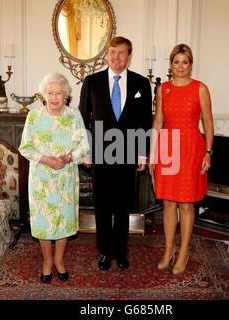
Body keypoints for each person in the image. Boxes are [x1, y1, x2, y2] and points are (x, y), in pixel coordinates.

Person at [79, 36, 153, 271]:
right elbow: (83, 120)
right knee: (102, 206)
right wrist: (85, 152)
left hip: (128, 152)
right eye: (112, 52)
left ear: (129, 56)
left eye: (121, 53)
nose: (116, 57)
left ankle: (120, 251)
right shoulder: (92, 82)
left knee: (122, 206)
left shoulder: (142, 84)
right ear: (107, 54)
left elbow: (144, 122)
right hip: (99, 154)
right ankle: (104, 252)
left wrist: (142, 154)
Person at [19, 72, 90, 283]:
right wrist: (46, 159)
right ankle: (47, 261)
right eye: (49, 93)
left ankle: (60, 260)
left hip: (66, 177)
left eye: (59, 93)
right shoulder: (34, 117)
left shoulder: (74, 115)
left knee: (63, 220)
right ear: (43, 95)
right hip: (41, 178)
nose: (54, 97)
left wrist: (69, 157)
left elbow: (83, 145)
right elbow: (25, 147)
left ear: (66, 95)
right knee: (44, 221)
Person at [150, 44, 214, 275]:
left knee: (186, 203)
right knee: (168, 202)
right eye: (176, 62)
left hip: (191, 149)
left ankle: (184, 251)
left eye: (184, 62)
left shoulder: (200, 89)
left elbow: (208, 122)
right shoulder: (163, 89)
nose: (180, 67)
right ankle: (168, 249)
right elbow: (158, 121)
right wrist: (153, 152)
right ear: (170, 64)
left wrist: (208, 152)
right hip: (167, 146)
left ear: (191, 64)